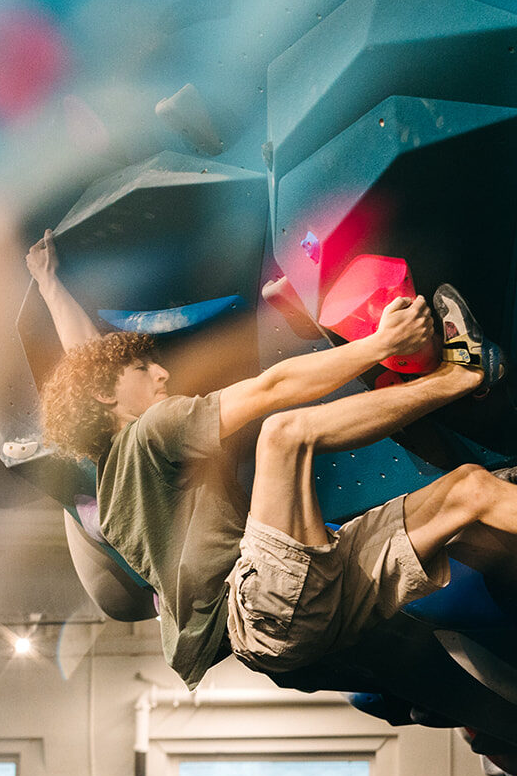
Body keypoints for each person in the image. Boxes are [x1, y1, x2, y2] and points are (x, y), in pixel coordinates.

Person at [27, 230, 517, 693]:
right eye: (143, 368)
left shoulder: (116, 479)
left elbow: (89, 361)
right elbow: (272, 389)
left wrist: (50, 286)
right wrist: (383, 344)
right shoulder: (150, 432)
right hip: (262, 606)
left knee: (468, 490)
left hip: (293, 617)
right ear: (104, 397)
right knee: (284, 434)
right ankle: (461, 375)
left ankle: (463, 386)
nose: (162, 372)